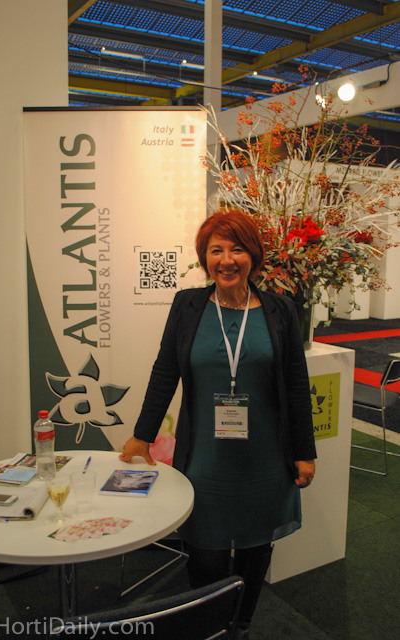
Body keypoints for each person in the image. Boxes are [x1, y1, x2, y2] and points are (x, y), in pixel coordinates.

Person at [120, 209, 316, 640]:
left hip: (265, 457)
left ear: (254, 256)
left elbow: (297, 385)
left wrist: (305, 452)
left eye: (238, 249)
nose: (227, 260)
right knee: (205, 553)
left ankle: (240, 625)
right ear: (204, 258)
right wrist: (141, 435)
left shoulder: (280, 309)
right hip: (205, 458)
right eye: (216, 250)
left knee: (254, 550)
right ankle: (208, 625)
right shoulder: (187, 305)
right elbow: (165, 371)